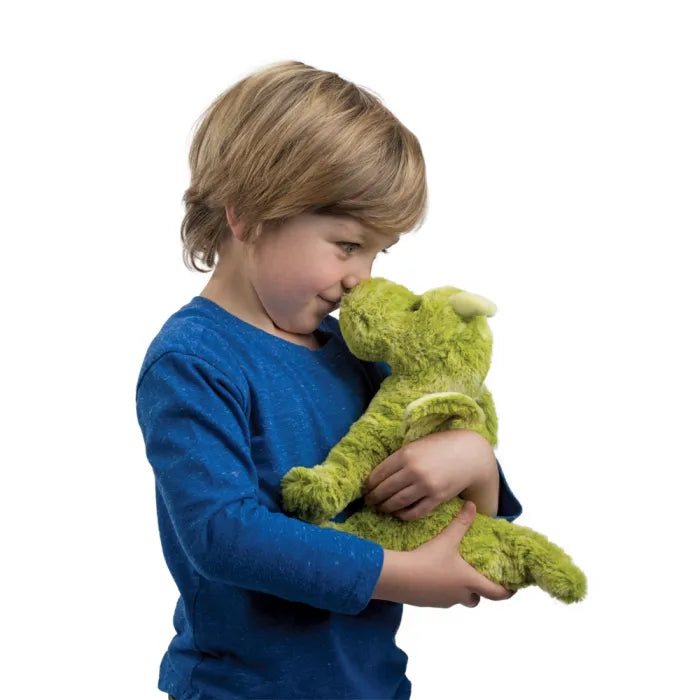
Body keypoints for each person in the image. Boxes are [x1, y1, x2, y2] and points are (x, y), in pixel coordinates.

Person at [135, 60, 523, 700]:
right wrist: (402, 575)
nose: (361, 279)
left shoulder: (358, 357)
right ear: (249, 214)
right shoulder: (194, 359)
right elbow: (221, 534)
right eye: (347, 245)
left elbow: (478, 535)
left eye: (377, 252)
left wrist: (474, 459)